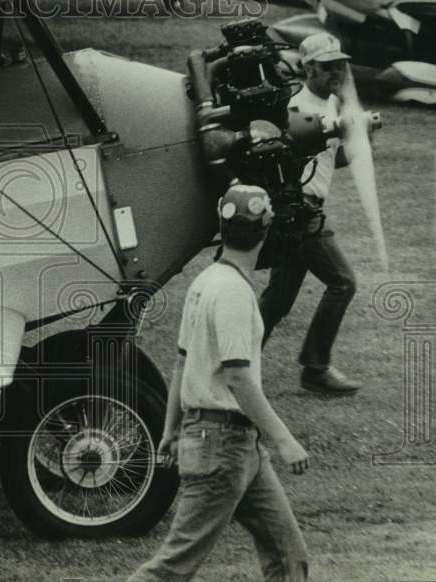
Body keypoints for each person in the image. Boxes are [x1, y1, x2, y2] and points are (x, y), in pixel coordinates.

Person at [128, 183, 309, 582]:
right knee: (173, 567)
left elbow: (181, 363)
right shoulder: (232, 292)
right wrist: (283, 438)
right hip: (221, 446)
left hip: (233, 445)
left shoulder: (205, 282)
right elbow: (238, 376)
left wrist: (171, 429)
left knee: (288, 555)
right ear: (266, 231)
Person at [258, 32, 361, 395]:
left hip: (301, 208)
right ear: (309, 68)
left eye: (341, 65)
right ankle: (315, 369)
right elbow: (293, 156)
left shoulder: (329, 104)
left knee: (278, 299)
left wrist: (362, 136)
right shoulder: (297, 108)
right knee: (343, 282)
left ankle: (233, 363)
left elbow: (336, 160)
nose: (337, 72)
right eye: (328, 66)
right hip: (299, 209)